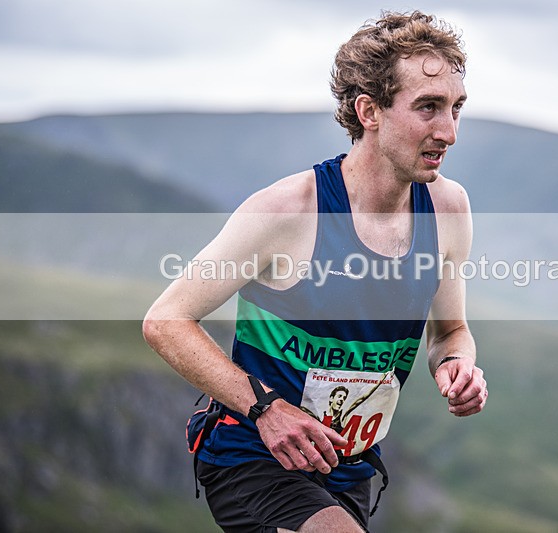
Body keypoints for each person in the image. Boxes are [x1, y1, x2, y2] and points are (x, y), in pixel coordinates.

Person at [143, 10, 488, 533]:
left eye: (456, 109)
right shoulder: (288, 210)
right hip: (253, 455)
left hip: (343, 467)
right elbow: (165, 321)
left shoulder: (449, 210)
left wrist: (456, 366)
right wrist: (267, 409)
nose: (449, 132)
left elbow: (451, 332)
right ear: (369, 111)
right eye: (428, 108)